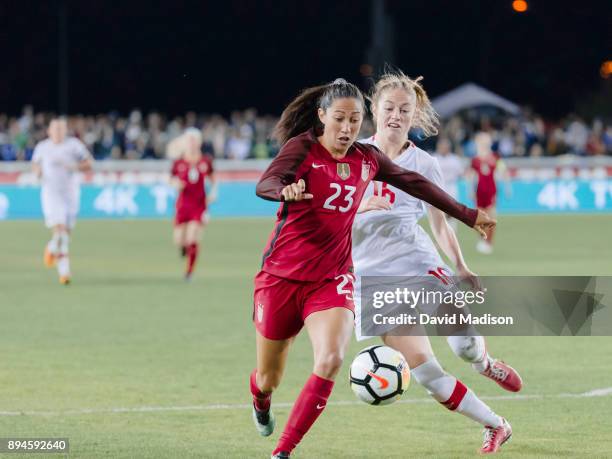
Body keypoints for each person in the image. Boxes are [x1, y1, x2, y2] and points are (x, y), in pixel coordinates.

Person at [250, 78, 496, 459]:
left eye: (354, 120)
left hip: (334, 281)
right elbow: (266, 182)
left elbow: (416, 184)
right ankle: (261, 400)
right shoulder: (303, 149)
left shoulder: (366, 159)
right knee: (269, 378)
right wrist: (284, 190)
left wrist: (467, 214)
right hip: (284, 278)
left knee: (330, 359)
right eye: (340, 119)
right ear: (322, 117)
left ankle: (282, 453)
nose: (347, 128)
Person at [352, 72, 521, 454]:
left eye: (404, 110)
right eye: (389, 107)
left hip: (417, 262)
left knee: (462, 347)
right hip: (372, 279)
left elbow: (439, 222)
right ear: (374, 109)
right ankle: (496, 424)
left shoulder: (424, 164)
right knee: (427, 374)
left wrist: (460, 265)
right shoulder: (349, 155)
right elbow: (325, 212)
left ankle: (484, 362)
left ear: (414, 116)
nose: (396, 115)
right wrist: (358, 206)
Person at [31, 117, 93, 285]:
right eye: (55, 129)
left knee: (65, 235)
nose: (58, 132)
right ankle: (64, 273)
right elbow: (35, 164)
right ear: (49, 131)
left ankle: (51, 249)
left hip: (70, 193)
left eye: (61, 129)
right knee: (60, 231)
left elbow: (89, 163)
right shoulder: (42, 147)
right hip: (51, 193)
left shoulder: (74, 145)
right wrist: (37, 172)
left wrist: (75, 167)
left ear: (65, 131)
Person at [168, 128, 217, 280]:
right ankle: (184, 248)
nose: (192, 143)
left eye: (194, 140)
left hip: (199, 205)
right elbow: (171, 179)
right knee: (179, 240)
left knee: (193, 238)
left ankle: (189, 272)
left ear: (199, 142)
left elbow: (213, 179)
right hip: (182, 206)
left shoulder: (205, 161)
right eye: (189, 140)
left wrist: (214, 193)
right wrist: (175, 183)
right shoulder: (179, 162)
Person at [469, 132, 510, 254]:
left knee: (491, 217)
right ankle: (482, 240)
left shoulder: (495, 157)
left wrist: (507, 187)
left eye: (486, 141)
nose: (484, 143)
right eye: (481, 141)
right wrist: (470, 190)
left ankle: (489, 243)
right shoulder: (475, 160)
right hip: (479, 192)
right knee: (479, 219)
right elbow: (472, 176)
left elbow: (503, 171)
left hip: (491, 191)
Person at [433, 137, 465, 230]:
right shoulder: (434, 158)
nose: (443, 148)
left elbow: (460, 174)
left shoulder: (455, 159)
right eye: (441, 146)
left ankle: (451, 231)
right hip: (438, 187)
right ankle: (440, 234)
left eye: (445, 146)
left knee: (452, 211)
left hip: (451, 187)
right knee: (439, 212)